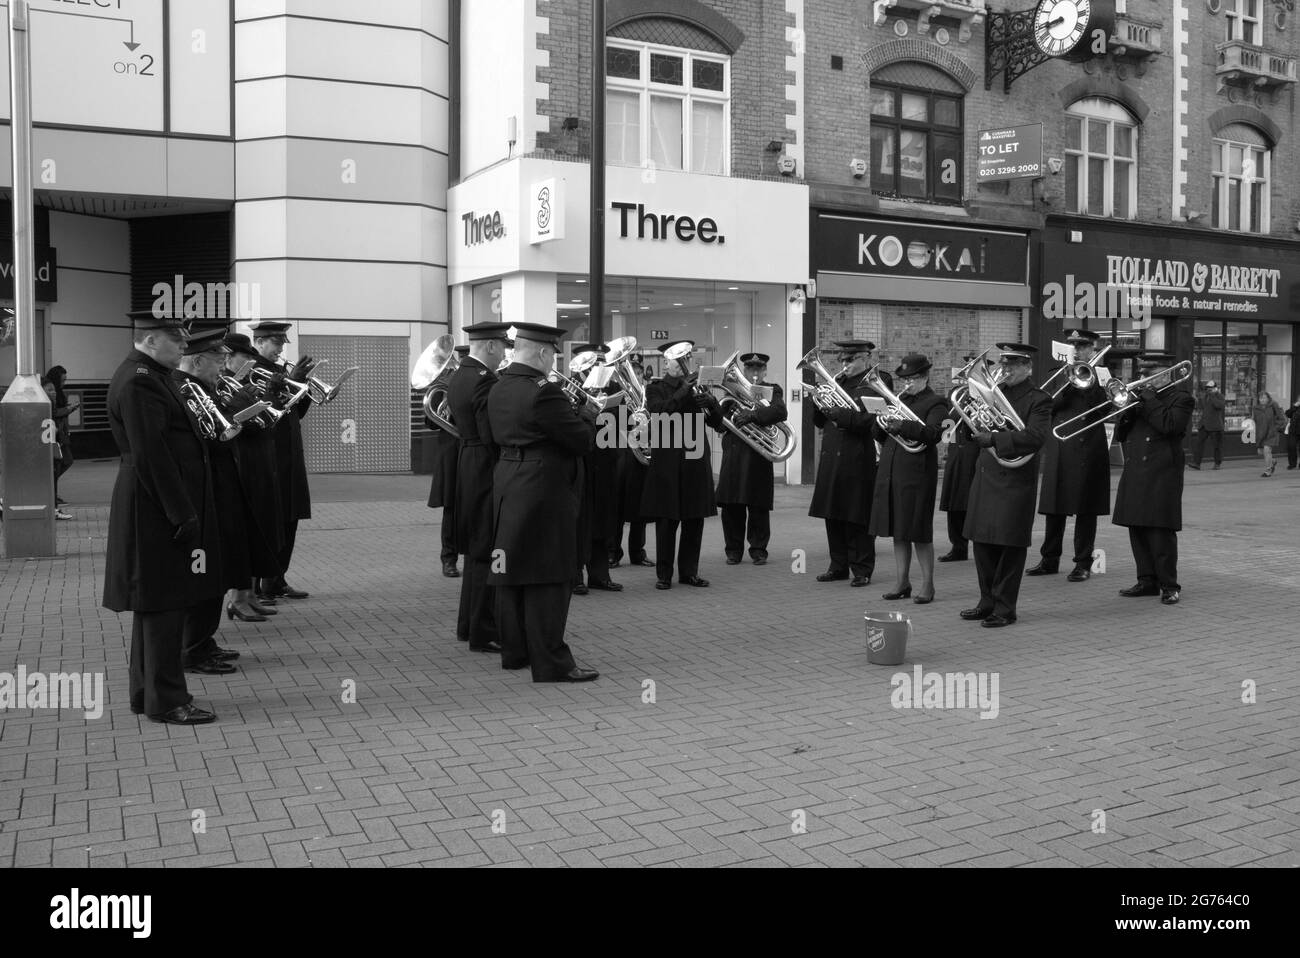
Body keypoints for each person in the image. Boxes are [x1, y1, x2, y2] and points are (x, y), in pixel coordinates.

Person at [103, 312, 223, 725]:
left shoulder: (150, 375)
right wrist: (181, 512)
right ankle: (169, 700)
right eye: (176, 340)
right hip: (155, 509)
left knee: (156, 607)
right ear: (151, 341)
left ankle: (147, 693)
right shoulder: (140, 380)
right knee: (165, 606)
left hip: (153, 506)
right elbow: (151, 454)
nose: (183, 347)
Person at [487, 322, 599, 682]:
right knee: (551, 576)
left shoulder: (499, 386)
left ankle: (515, 652)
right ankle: (552, 662)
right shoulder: (545, 392)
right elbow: (580, 441)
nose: (554, 362)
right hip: (544, 489)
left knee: (512, 572)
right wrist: (588, 416)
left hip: (508, 482)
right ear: (544, 352)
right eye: (554, 354)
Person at [174, 325, 254, 676]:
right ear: (196, 360)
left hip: (220, 488)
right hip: (201, 493)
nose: (223, 364)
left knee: (215, 571)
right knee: (201, 572)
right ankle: (192, 648)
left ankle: (204, 640)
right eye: (218, 358)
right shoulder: (182, 387)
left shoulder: (205, 386)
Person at [959, 343, 1052, 628]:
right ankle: (986, 601)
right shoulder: (990, 394)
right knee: (983, 543)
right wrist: (968, 413)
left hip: (1015, 478)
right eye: (1004, 364)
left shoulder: (1040, 399)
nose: (1006, 370)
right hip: (987, 475)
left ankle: (1005, 607)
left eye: (1013, 365)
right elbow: (973, 429)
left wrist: (996, 440)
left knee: (1009, 546)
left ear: (1027, 368)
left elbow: (1036, 437)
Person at [640, 341, 725, 590]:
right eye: (677, 359)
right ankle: (664, 575)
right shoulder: (655, 388)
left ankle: (689, 572)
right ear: (667, 363)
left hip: (695, 459)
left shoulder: (698, 387)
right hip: (667, 459)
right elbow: (660, 413)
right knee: (667, 520)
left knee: (694, 518)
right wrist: (682, 391)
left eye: (685, 358)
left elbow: (717, 424)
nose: (681, 363)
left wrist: (711, 403)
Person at [1028, 330, 1112, 582]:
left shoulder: (1103, 375)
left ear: (1093, 349)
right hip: (1061, 446)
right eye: (1074, 346)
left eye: (1083, 346)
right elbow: (1046, 406)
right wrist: (1066, 383)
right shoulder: (1058, 373)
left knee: (1085, 509)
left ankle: (1083, 562)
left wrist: (1086, 383)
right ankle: (1049, 559)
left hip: (1088, 448)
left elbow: (1106, 408)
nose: (1077, 350)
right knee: (1055, 507)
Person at [449, 323, 511, 653]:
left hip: (467, 461)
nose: (504, 352)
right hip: (485, 463)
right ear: (489, 346)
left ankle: (468, 624)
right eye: (502, 346)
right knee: (487, 549)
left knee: (476, 551)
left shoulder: (461, 374)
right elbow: (492, 433)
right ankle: (484, 630)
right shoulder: (484, 380)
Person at [867, 353, 948, 603]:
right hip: (891, 471)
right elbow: (879, 437)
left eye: (911, 379)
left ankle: (928, 586)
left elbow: (934, 434)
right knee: (898, 531)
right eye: (904, 380)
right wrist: (880, 421)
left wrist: (901, 426)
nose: (906, 384)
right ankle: (902, 582)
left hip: (917, 473)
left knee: (919, 532)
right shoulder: (898, 400)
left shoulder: (937, 403)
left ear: (924, 377)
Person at [1113, 356, 1194, 605]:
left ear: (1168, 374)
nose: (1146, 378)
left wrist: (1148, 400)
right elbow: (1120, 435)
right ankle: (1146, 580)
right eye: (1144, 373)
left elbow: (1169, 426)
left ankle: (1169, 584)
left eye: (1152, 373)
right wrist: (1127, 410)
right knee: (1137, 527)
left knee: (1160, 530)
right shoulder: (1139, 399)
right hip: (1136, 470)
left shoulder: (1182, 399)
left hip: (1162, 472)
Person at [808, 340, 887, 587]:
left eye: (850, 360)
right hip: (832, 457)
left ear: (865, 358)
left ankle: (862, 569)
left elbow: (870, 419)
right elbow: (820, 423)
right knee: (833, 514)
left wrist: (840, 414)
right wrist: (818, 402)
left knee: (857, 516)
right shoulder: (837, 383)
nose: (844, 364)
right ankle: (838, 565)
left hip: (859, 456)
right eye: (842, 360)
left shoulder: (876, 382)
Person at [250, 321, 314, 601]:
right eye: (275, 344)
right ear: (260, 342)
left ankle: (277, 579)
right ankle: (259, 584)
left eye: (281, 344)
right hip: (270, 454)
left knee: (290, 518)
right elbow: (262, 411)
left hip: (290, 452)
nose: (279, 349)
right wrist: (279, 389)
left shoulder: (279, 370)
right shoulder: (251, 371)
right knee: (270, 523)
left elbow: (296, 412)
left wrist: (302, 385)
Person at [223, 334, 284, 622]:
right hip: (241, 463)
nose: (248, 362)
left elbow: (271, 418)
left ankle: (248, 595)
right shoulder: (223, 384)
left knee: (257, 529)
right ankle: (237, 597)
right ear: (229, 358)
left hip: (259, 462)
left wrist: (269, 397)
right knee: (243, 532)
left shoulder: (243, 382)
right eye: (242, 357)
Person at [715, 353, 787, 566]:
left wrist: (753, 416)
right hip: (734, 456)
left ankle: (758, 550)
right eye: (750, 369)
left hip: (758, 456)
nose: (754, 373)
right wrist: (714, 408)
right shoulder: (731, 393)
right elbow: (719, 425)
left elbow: (780, 411)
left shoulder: (773, 389)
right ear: (744, 371)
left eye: (759, 369)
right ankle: (733, 551)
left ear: (764, 371)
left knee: (758, 507)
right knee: (731, 508)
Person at [569, 344, 622, 594]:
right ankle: (575, 574)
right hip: (582, 459)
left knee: (603, 518)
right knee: (578, 521)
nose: (599, 367)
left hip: (606, 458)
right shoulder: (571, 388)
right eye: (593, 362)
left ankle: (600, 574)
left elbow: (624, 421)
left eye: (601, 362)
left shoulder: (612, 387)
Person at [427, 343, 469, 579]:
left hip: (471, 449)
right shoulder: (443, 385)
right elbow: (431, 422)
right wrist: (445, 408)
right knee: (451, 508)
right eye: (460, 361)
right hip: (451, 453)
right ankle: (449, 558)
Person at [609, 360, 653, 569]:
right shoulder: (617, 397)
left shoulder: (649, 397)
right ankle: (612, 553)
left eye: (638, 373)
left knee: (640, 509)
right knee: (616, 507)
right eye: (631, 373)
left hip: (640, 458)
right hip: (620, 455)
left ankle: (638, 552)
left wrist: (646, 419)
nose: (634, 377)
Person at [939, 419, 977, 563]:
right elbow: (946, 435)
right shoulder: (951, 405)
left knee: (973, 503)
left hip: (975, 454)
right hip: (955, 455)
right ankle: (958, 547)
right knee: (953, 502)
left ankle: (979, 547)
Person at [45, 365, 78, 518]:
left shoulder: (57, 392)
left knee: (64, 462)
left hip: (61, 433)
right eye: (62, 380)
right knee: (61, 463)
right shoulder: (50, 395)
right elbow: (53, 413)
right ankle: (52, 496)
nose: (64, 383)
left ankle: (53, 493)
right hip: (55, 435)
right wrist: (69, 410)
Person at [1189, 380, 1224, 470]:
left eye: (1210, 388)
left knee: (1216, 446)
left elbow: (1218, 406)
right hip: (1204, 425)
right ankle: (1197, 463)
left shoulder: (1220, 396)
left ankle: (1217, 463)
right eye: (1207, 389)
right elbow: (1201, 406)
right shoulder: (1206, 396)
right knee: (1199, 444)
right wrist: (1196, 399)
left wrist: (1212, 395)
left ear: (1215, 388)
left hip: (1215, 425)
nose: (1208, 390)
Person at [1253, 390, 1284, 478]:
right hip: (1261, 433)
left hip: (1271, 433)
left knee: (1267, 450)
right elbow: (1255, 421)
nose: (1262, 400)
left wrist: (1275, 428)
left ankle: (1268, 470)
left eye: (1264, 398)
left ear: (1268, 398)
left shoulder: (1273, 405)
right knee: (1260, 452)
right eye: (1260, 398)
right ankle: (1273, 461)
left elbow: (1282, 419)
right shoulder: (1255, 408)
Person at [1286, 394, 1300, 470]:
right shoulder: (1295, 407)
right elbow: (1288, 414)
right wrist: (1295, 406)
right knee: (1291, 446)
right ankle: (1292, 464)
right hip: (1293, 431)